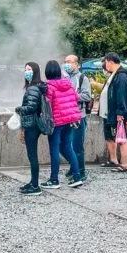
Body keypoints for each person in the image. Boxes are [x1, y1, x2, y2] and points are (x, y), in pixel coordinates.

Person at [42, 60, 83, 189]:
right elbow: (75, 98)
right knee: (68, 147)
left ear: (47, 72)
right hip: (69, 120)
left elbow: (47, 105)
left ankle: (54, 180)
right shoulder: (68, 84)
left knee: (54, 150)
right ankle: (77, 176)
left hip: (56, 122)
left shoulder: (49, 87)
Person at [101, 53, 127, 172]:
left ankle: (124, 164)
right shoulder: (114, 75)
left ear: (110, 62)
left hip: (116, 113)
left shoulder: (121, 76)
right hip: (109, 112)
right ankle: (114, 160)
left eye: (106, 62)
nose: (105, 65)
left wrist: (120, 112)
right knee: (110, 136)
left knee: (122, 138)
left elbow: (121, 95)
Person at [14, 62, 46, 196]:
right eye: (25, 69)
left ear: (35, 71)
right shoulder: (35, 87)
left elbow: (31, 107)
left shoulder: (33, 88)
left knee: (32, 156)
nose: (26, 71)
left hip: (32, 125)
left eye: (29, 69)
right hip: (33, 124)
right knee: (31, 155)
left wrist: (19, 109)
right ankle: (33, 182)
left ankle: (35, 186)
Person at [64, 54, 92, 181]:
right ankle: (73, 167)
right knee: (67, 145)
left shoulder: (82, 78)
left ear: (77, 64)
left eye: (69, 62)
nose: (67, 64)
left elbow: (86, 96)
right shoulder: (65, 78)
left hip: (78, 116)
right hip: (67, 116)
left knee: (77, 146)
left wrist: (72, 96)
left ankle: (81, 171)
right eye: (65, 62)